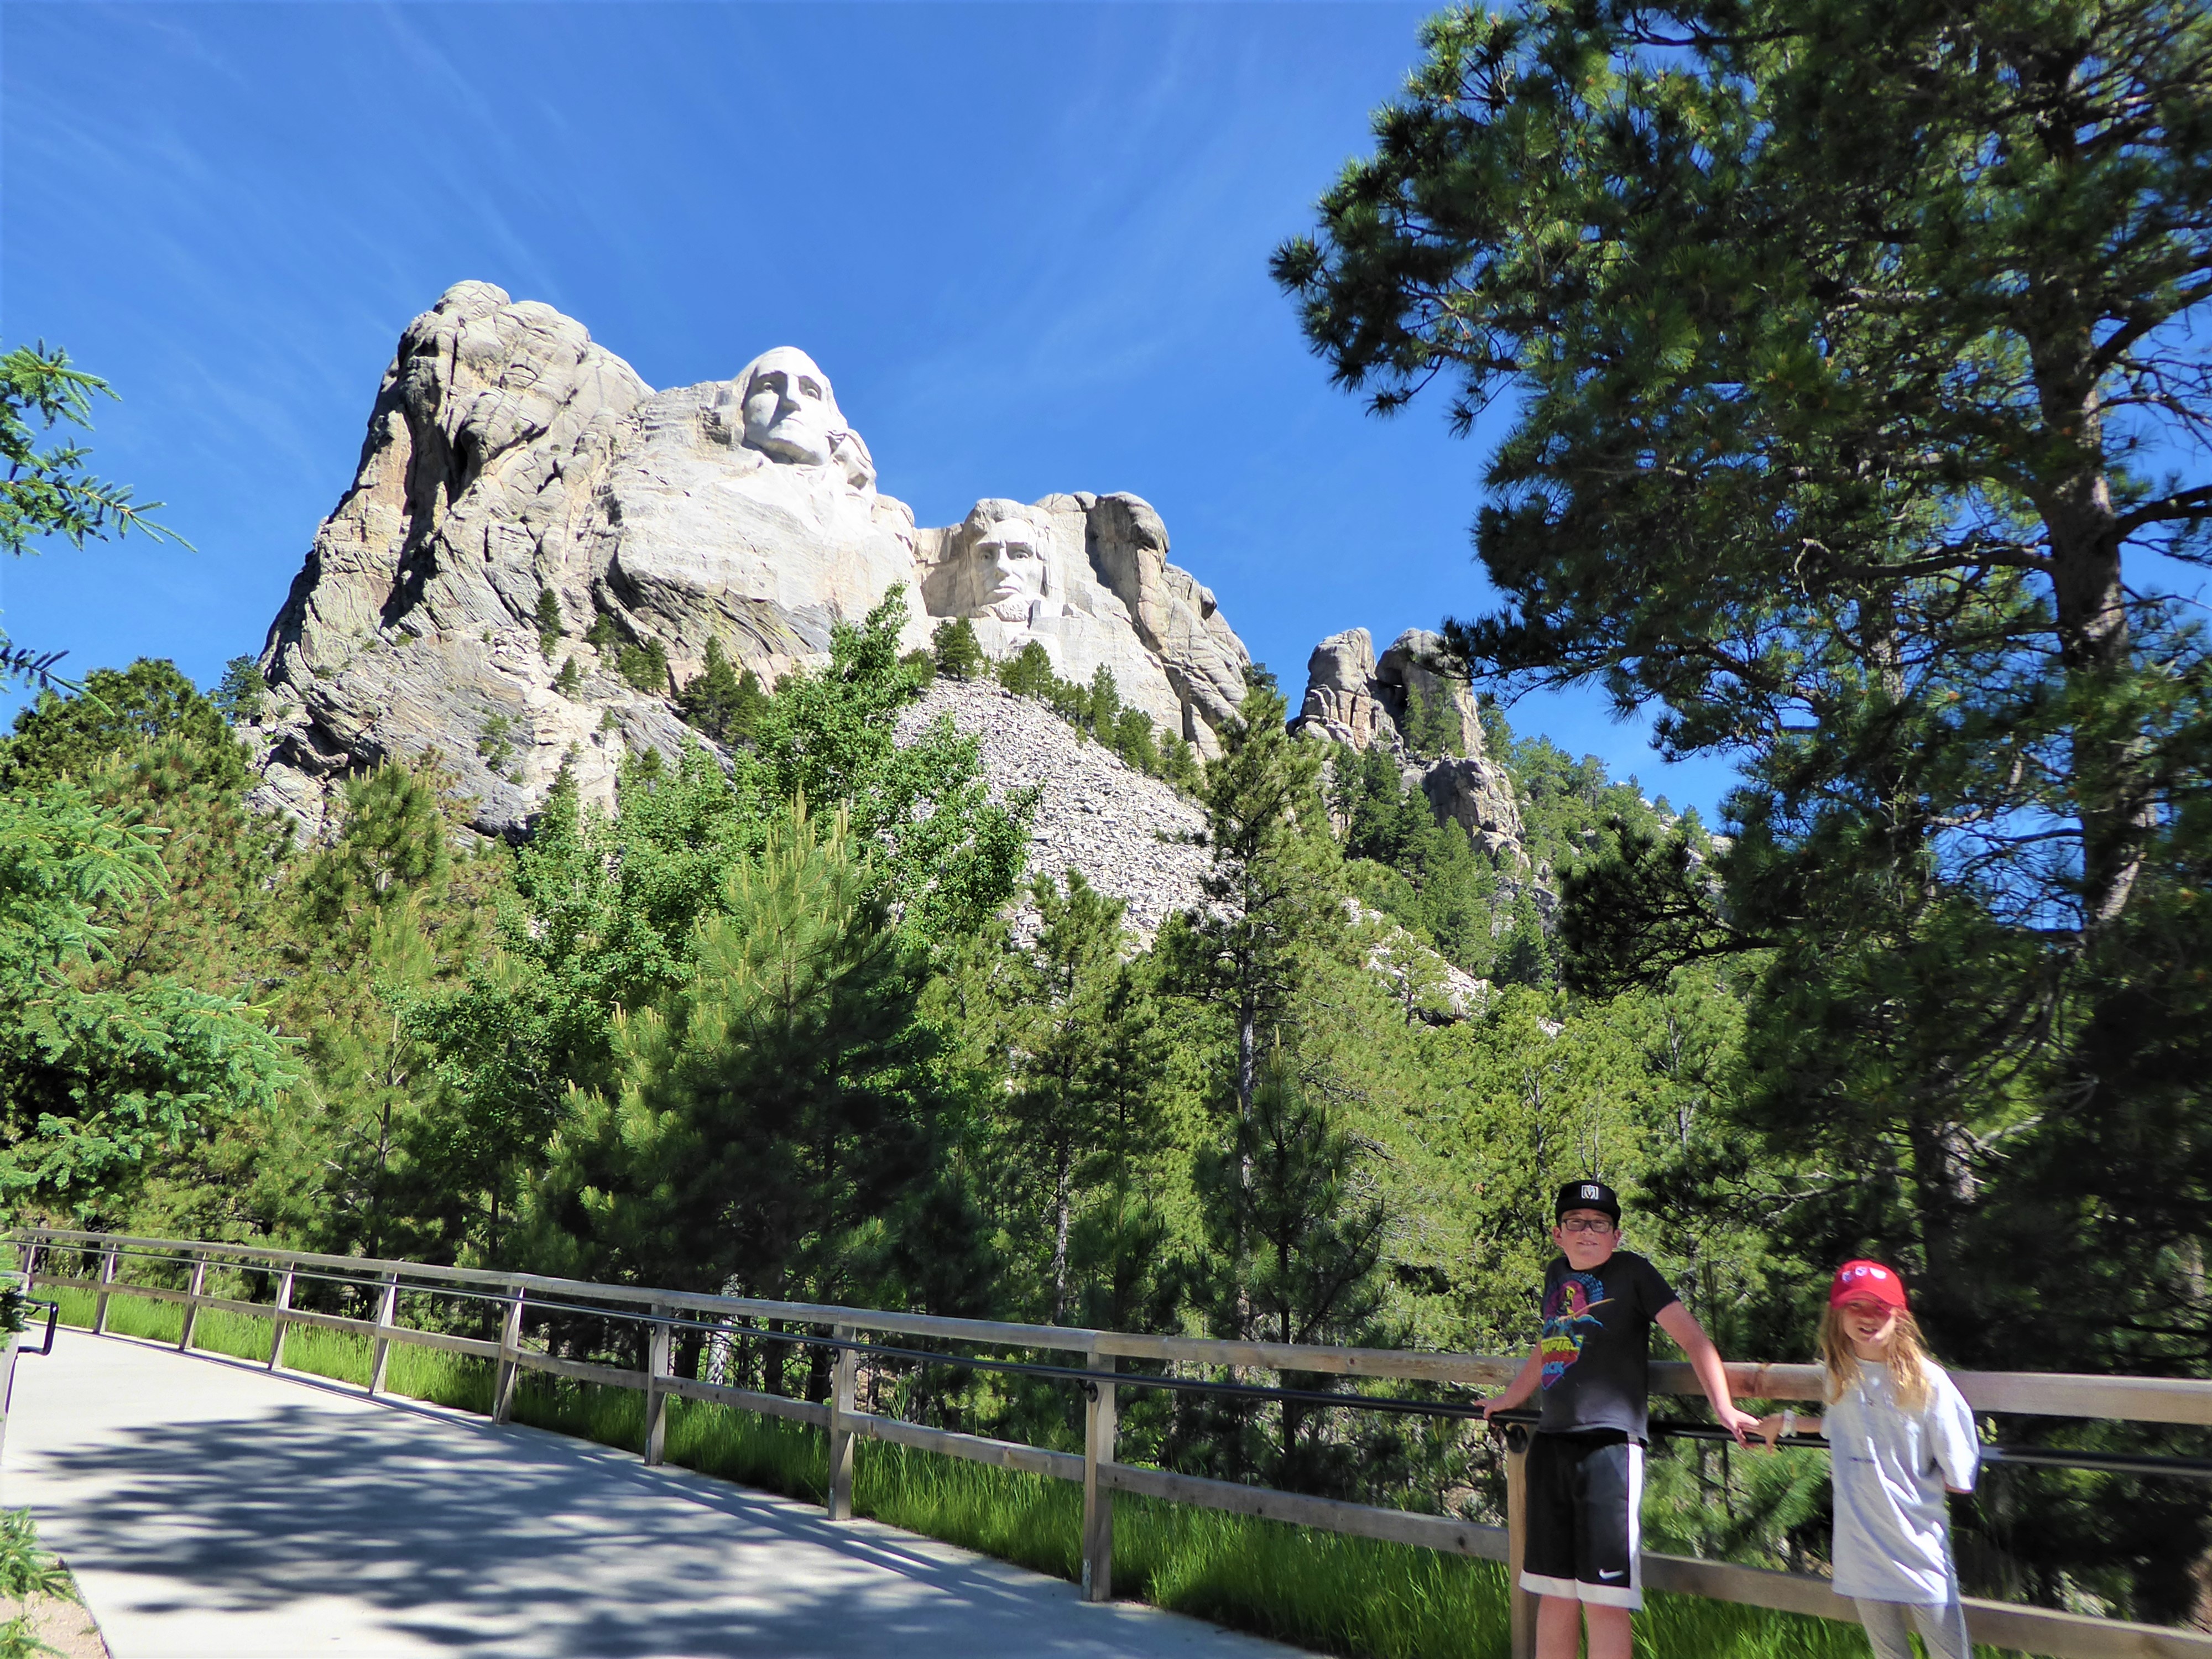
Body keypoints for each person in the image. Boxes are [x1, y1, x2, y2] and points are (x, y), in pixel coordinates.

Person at [1481, 1180, 1760, 1659]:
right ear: (1557, 1233)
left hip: (1611, 1449)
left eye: (1600, 1224)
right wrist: (1511, 1396)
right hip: (1551, 1442)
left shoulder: (1635, 1273)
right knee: (1555, 1593)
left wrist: (1724, 1407)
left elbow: (1694, 1340)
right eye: (1576, 1222)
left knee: (1605, 1599)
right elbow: (1552, 1341)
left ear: (1616, 1234)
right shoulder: (1556, 1274)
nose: (1587, 1232)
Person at [1754, 1260, 1980, 1659]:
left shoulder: (1930, 1382)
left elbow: (1959, 1474)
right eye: (1855, 1306)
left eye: (1879, 1306)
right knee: (1888, 1654)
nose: (1867, 1316)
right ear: (1837, 1315)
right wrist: (1789, 1422)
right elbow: (1843, 1424)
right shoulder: (1839, 1374)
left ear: (1899, 1316)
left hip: (1918, 1546)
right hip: (1860, 1545)